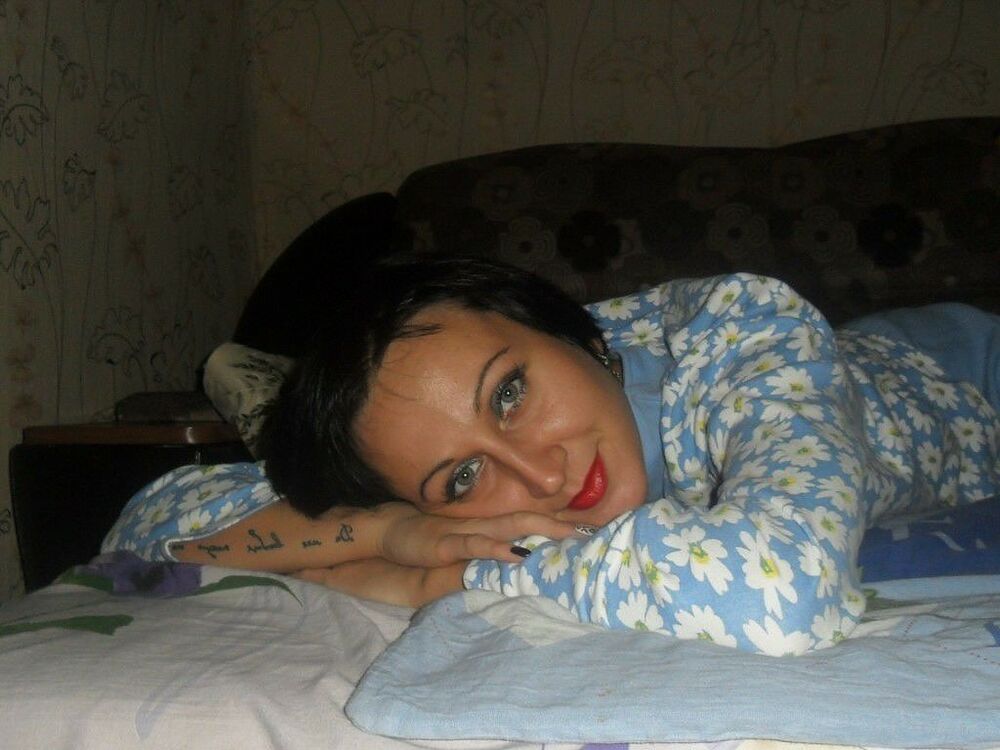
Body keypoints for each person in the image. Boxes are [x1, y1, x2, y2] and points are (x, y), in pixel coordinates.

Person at [102, 258, 1000, 656]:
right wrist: (391, 535)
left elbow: (783, 595)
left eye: (509, 393)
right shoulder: (416, 501)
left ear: (580, 335)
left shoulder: (743, 330)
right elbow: (148, 530)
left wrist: (439, 582)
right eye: (462, 477)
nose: (541, 476)